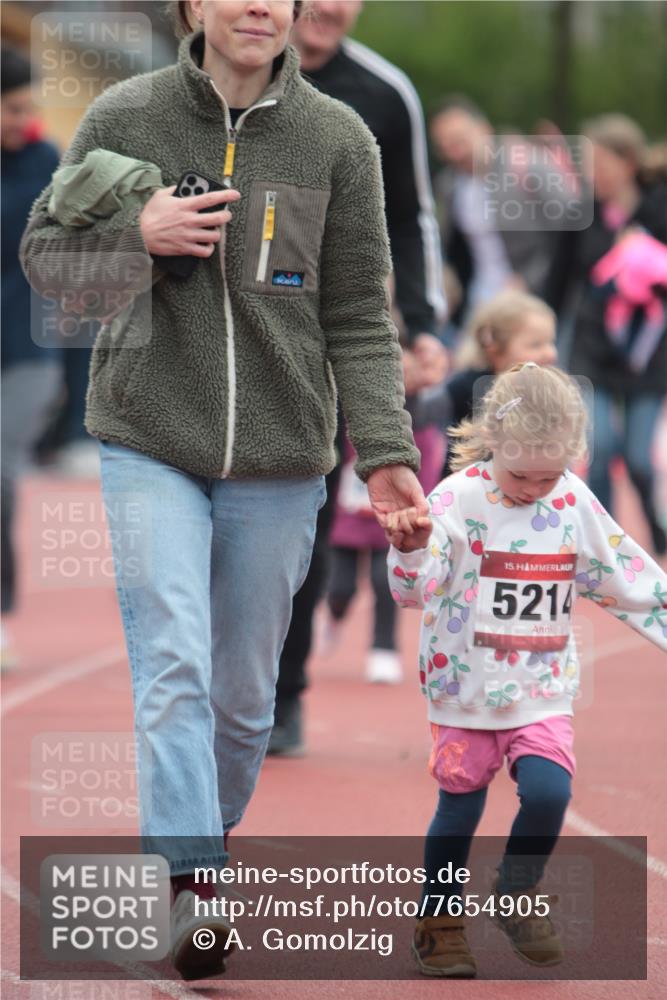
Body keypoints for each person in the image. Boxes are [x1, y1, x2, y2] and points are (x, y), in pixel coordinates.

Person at [20, 0, 427, 980]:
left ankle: (198, 833)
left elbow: (359, 320)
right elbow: (49, 269)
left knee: (243, 701)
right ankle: (193, 891)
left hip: (285, 455)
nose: (260, 6)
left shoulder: (339, 138)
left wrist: (385, 450)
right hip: (148, 437)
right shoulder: (124, 115)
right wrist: (138, 234)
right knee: (174, 665)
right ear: (193, 6)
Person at [386, 362, 667, 977]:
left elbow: (626, 577)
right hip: (462, 687)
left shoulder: (571, 500)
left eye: (549, 476)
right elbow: (414, 591)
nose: (534, 490)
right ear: (492, 442)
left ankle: (516, 892)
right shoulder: (456, 499)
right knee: (459, 808)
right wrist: (408, 549)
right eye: (520, 477)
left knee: (550, 792)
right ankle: (439, 921)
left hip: (540, 689)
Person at [269, 0, 448, 750]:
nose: (332, 8)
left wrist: (424, 321)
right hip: (228, 330)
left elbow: (412, 217)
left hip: (334, 331)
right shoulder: (233, 75)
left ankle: (283, 696)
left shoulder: (382, 92)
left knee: (304, 508)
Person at [546, 113, 667, 556]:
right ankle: (606, 548)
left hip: (647, 353)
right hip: (591, 348)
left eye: (600, 164)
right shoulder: (580, 213)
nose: (591, 175)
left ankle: (656, 524)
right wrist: (541, 333)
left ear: (628, 162)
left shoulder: (659, 207)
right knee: (598, 449)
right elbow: (557, 281)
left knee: (637, 458)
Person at [1, 46, 62, 670]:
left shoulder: (46, 160)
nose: (26, 118)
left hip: (25, 348)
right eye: (13, 108)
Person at [430, 96, 574, 327]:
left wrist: (528, 280)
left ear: (483, 128)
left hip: (537, 301)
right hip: (480, 301)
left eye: (459, 140)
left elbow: (567, 236)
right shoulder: (450, 186)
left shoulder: (528, 167)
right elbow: (446, 244)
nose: (454, 152)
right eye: (444, 146)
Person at [411, 290, 558, 479]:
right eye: (536, 345)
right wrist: (413, 388)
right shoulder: (468, 385)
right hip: (467, 493)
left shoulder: (548, 392)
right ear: (496, 350)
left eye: (551, 342)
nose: (550, 353)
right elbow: (420, 415)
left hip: (527, 494)